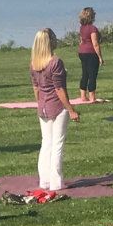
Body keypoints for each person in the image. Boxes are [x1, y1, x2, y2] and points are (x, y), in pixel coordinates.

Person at [30, 29, 79, 191]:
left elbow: (36, 88)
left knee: (46, 143)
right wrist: (71, 109)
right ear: (50, 42)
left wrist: (40, 103)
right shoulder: (55, 62)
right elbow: (59, 89)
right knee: (57, 144)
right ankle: (56, 182)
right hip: (57, 107)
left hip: (43, 107)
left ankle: (44, 180)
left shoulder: (35, 63)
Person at [76, 7, 103, 103]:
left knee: (85, 74)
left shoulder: (81, 28)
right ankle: (92, 97)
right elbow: (95, 43)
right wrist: (100, 56)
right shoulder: (92, 28)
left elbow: (81, 40)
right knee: (92, 75)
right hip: (91, 53)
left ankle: (83, 96)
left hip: (82, 52)